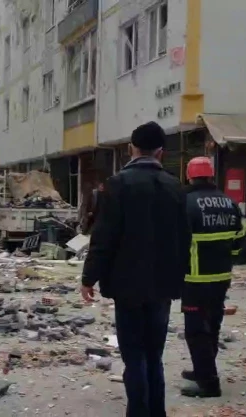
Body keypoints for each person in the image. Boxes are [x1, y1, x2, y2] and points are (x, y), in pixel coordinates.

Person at [81, 121, 191, 417]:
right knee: (154, 355)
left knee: (135, 356)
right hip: (162, 287)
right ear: (161, 153)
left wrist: (89, 277)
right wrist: (180, 279)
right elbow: (185, 238)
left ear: (131, 149)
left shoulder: (118, 185)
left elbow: (104, 237)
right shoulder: (175, 186)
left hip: (127, 286)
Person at [179, 157, 245, 398]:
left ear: (189, 176)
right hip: (222, 275)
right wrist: (229, 256)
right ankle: (203, 369)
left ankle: (208, 383)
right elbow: (241, 236)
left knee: (196, 330)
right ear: (211, 175)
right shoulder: (229, 202)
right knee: (212, 324)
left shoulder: (186, 203)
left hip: (195, 277)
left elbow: (175, 239)